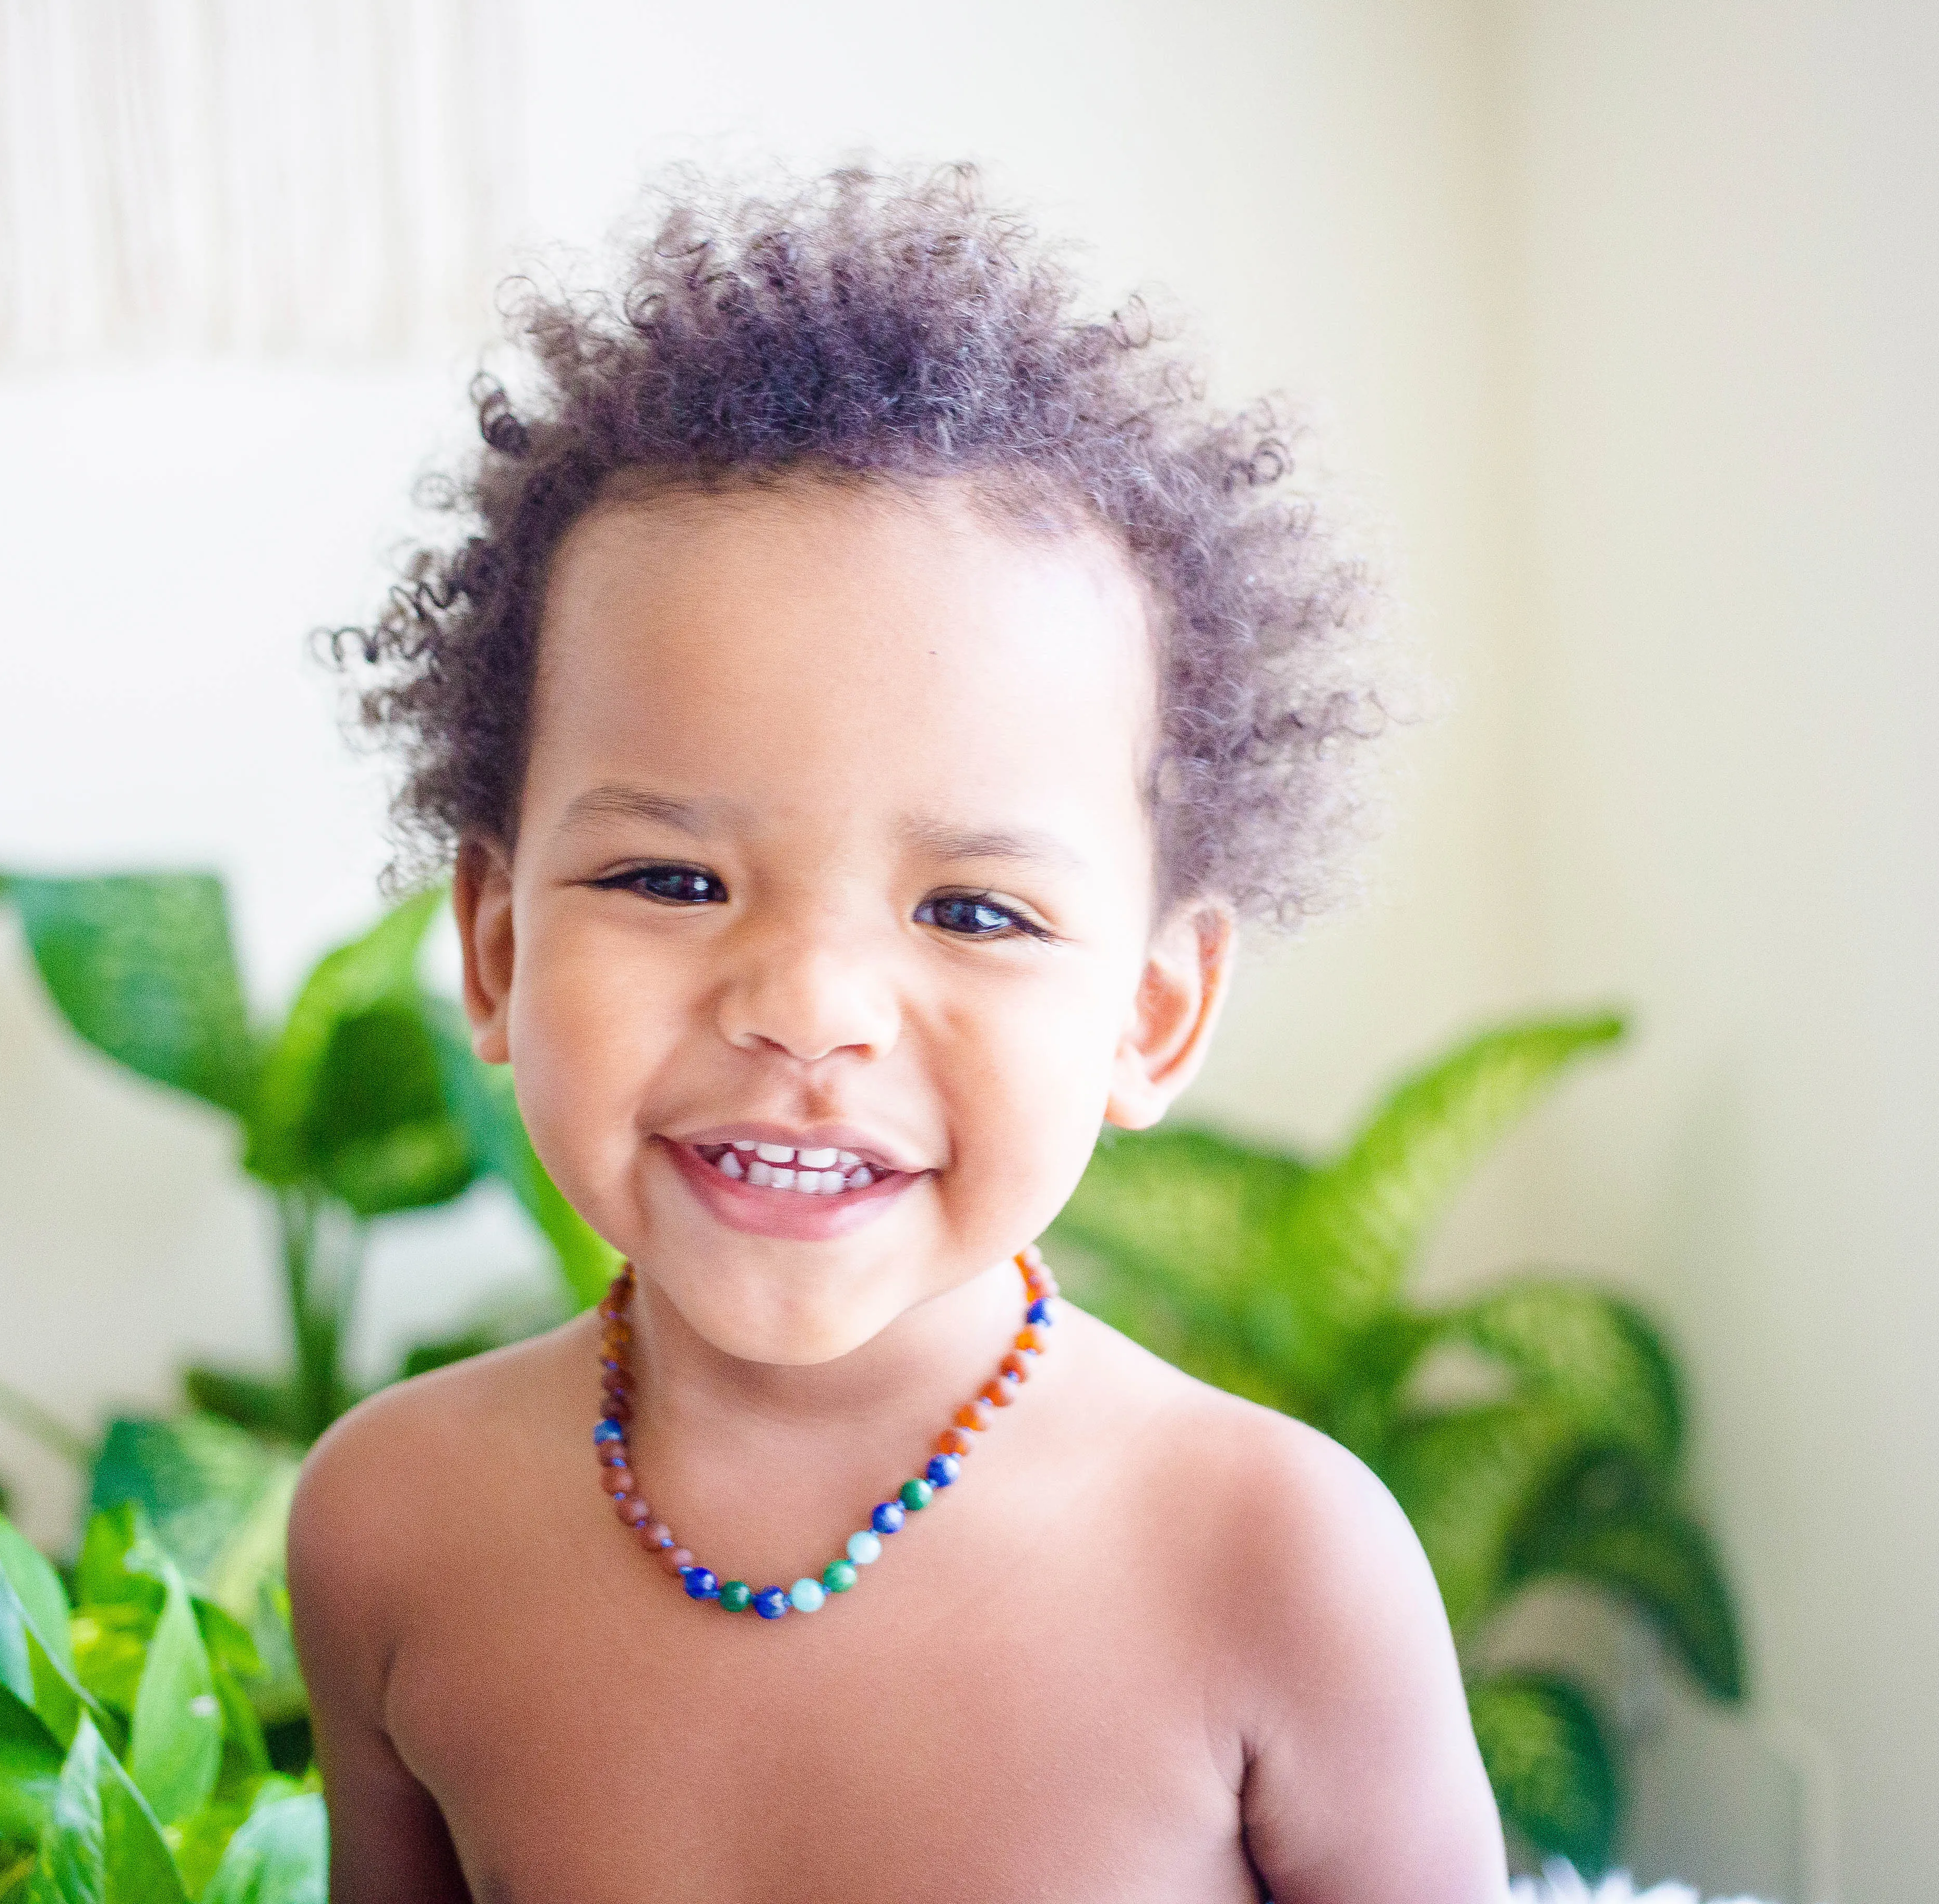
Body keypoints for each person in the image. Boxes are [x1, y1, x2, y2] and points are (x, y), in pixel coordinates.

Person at [286, 164, 1508, 1903]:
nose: (804, 1006)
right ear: (493, 946)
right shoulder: (393, 1528)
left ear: (1154, 1015)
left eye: (974, 911)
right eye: (670, 875)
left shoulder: (1272, 1562)